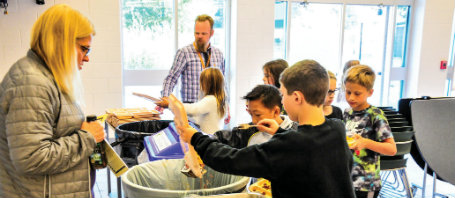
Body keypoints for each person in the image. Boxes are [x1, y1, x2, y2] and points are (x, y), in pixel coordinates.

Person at [178, 60, 356, 198]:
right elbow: (309, 151)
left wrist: (196, 138)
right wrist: (279, 132)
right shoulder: (336, 128)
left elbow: (232, 160)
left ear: (297, 97)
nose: (282, 100)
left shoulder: (289, 145)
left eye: (283, 94)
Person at [0, 4, 105, 198]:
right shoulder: (31, 82)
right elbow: (31, 158)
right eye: (84, 49)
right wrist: (87, 138)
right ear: (60, 43)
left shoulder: (46, 77)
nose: (87, 58)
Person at [343, 65, 397, 198]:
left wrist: (366, 143)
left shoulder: (375, 115)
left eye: (357, 93)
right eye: (348, 92)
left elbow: (391, 149)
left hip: (366, 184)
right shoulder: (346, 113)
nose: (351, 98)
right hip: (347, 181)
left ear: (370, 92)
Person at [161, 14, 225, 104]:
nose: (199, 36)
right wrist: (165, 97)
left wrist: (226, 105)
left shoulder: (218, 54)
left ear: (211, 33)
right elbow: (171, 78)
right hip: (191, 107)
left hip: (212, 108)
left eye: (203, 33)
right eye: (197, 33)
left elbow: (222, 84)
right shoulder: (184, 52)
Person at [214, 84, 297, 148]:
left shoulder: (296, 133)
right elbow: (221, 137)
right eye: (251, 114)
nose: (254, 120)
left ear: (276, 111)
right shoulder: (250, 130)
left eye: (258, 115)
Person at [157, 68, 226, 134]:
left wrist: (171, 104)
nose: (200, 85)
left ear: (208, 84)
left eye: (202, 82)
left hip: (208, 138)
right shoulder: (218, 100)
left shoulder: (210, 100)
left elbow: (194, 110)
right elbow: (199, 118)